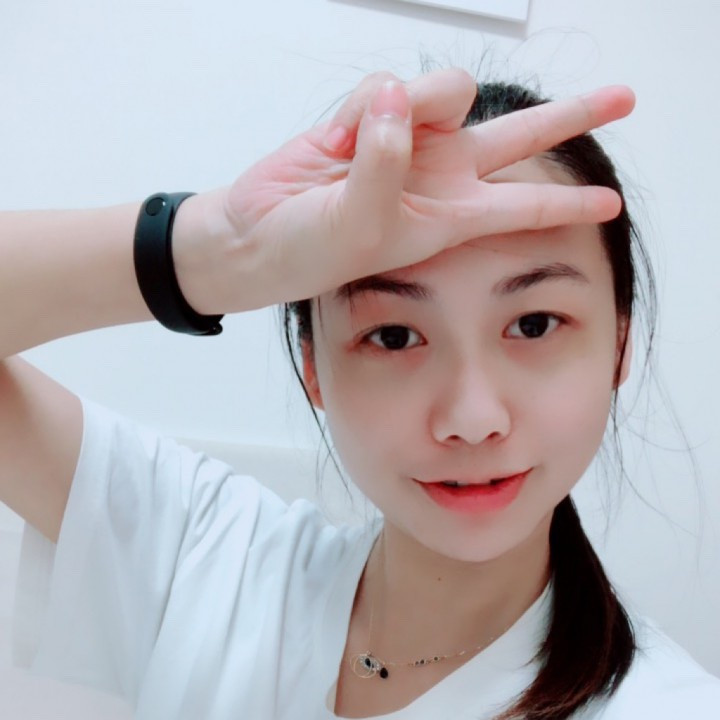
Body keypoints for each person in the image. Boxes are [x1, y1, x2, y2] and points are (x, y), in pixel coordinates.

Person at [0, 68, 717, 719]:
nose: (472, 419)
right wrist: (219, 248)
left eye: (533, 324)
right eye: (395, 336)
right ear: (312, 365)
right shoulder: (208, 556)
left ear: (619, 345)